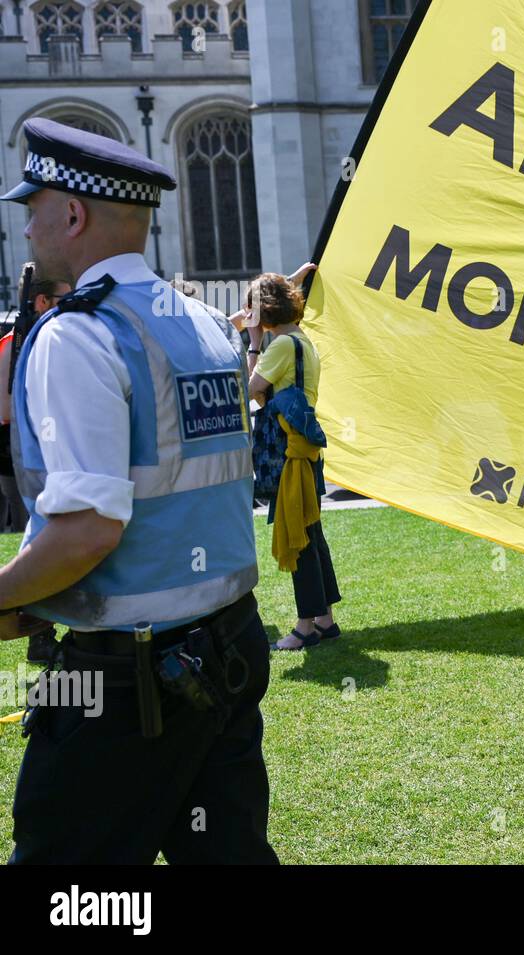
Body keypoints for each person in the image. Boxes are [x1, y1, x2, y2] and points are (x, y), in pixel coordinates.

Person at [0, 118, 277, 864]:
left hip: (122, 678)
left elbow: (89, 529)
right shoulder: (207, 324)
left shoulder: (77, 334)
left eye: (33, 208)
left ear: (72, 213)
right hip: (229, 643)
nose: (26, 228)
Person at [241, 270, 342, 651]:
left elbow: (250, 392)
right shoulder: (301, 340)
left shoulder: (281, 346)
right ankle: (325, 620)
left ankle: (305, 626)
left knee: (296, 537)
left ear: (263, 311)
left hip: (288, 454)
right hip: (303, 451)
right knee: (312, 534)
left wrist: (253, 344)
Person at [0, 275, 70, 665]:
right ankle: (39, 635)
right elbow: (6, 411)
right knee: (43, 547)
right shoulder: (15, 343)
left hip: (43, 455)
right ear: (41, 300)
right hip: (23, 459)